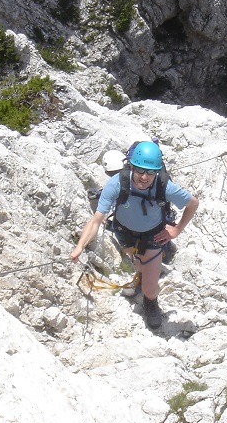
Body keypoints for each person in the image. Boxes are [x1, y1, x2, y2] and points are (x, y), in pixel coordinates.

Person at [70, 141, 199, 329]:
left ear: (157, 172)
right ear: (131, 166)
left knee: (149, 285)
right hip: (125, 232)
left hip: (153, 233)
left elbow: (193, 203)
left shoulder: (165, 187)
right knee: (139, 262)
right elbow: (96, 220)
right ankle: (144, 269)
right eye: (140, 171)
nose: (145, 177)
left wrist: (176, 229)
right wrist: (79, 246)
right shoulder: (117, 183)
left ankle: (151, 302)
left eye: (150, 172)